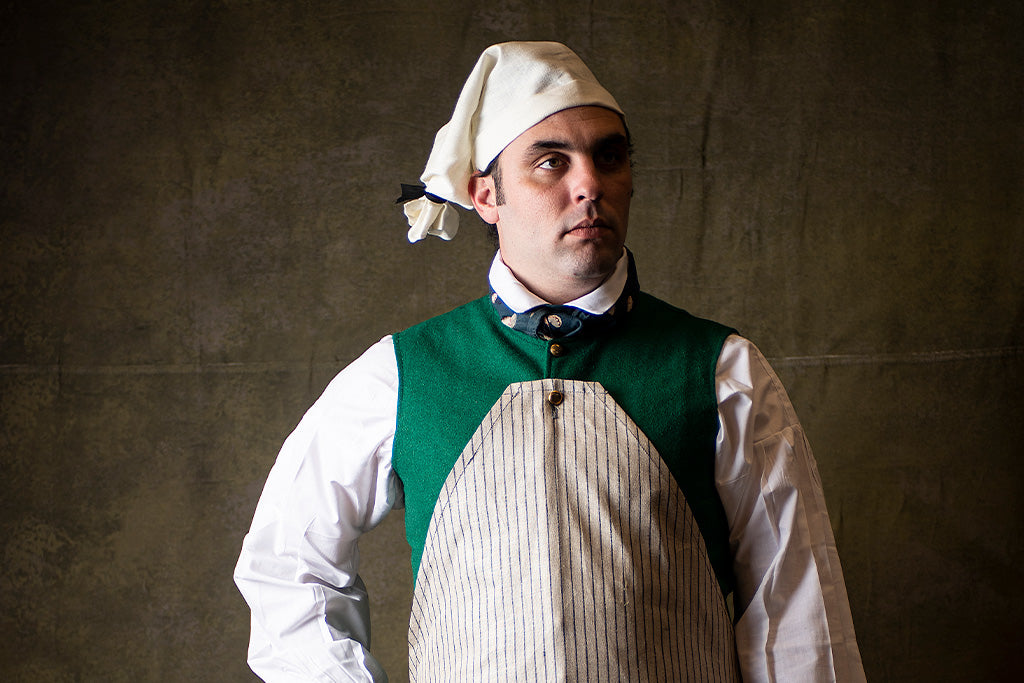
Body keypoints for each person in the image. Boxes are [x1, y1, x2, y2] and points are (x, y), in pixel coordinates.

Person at [234, 41, 866, 682]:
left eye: (609, 157)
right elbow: (287, 570)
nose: (589, 185)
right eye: (550, 162)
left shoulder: (722, 370)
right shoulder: (398, 376)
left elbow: (799, 613)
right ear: (486, 195)